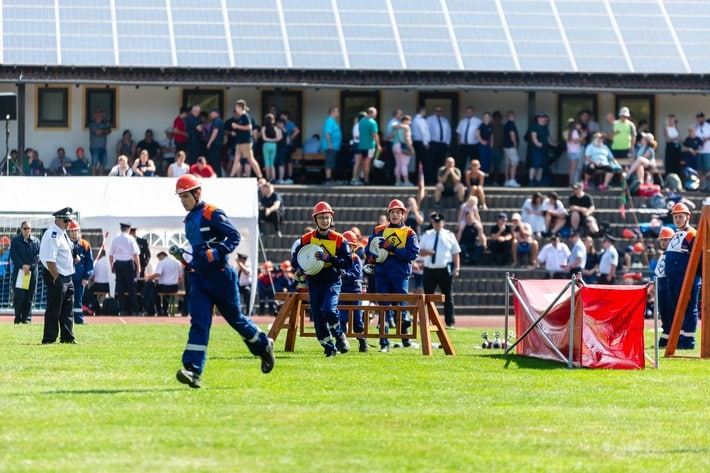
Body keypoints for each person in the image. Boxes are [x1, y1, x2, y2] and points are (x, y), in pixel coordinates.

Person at [174, 174, 274, 388]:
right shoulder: (189, 219)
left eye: (185, 196)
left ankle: (263, 345)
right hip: (199, 278)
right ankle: (193, 370)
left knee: (236, 320)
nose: (183, 201)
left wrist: (217, 252)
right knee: (199, 321)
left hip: (220, 277)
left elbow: (234, 237)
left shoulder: (212, 212)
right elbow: (198, 250)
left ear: (197, 193)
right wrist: (186, 260)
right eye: (180, 197)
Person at [292, 201, 352, 357]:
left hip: (332, 280)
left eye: (327, 217)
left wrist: (329, 259)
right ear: (315, 220)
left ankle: (339, 335)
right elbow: (296, 258)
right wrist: (299, 270)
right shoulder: (306, 239)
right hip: (314, 281)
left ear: (331, 219)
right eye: (321, 217)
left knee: (329, 310)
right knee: (317, 317)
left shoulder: (339, 239)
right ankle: (329, 347)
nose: (325, 221)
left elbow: (348, 262)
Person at [366, 199, 419, 352]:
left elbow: (412, 253)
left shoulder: (409, 232)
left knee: (400, 307)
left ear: (403, 215)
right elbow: (370, 249)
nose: (395, 215)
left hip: (400, 274)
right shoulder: (378, 230)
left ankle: (405, 337)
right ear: (388, 214)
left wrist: (392, 249)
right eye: (392, 212)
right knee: (383, 308)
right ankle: (384, 343)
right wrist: (373, 258)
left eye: (398, 212)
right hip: (382, 273)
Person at [663, 203, 700, 349]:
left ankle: (688, 340)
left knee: (689, 307)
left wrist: (692, 277)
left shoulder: (692, 234)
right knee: (677, 308)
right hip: (673, 279)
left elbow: (698, 256)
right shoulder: (675, 234)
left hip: (686, 278)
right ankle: (679, 338)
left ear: (688, 217)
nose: (678, 219)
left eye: (681, 216)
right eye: (676, 216)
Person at [39, 207, 77, 344]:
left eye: (69, 220)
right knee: (54, 309)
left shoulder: (63, 233)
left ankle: (67, 337)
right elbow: (50, 260)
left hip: (67, 275)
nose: (68, 223)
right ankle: (49, 338)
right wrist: (56, 278)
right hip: (57, 275)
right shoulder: (53, 234)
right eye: (65, 220)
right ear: (57, 219)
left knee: (67, 310)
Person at [419, 212, 460, 329]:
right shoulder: (427, 235)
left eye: (439, 222)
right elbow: (419, 251)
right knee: (428, 296)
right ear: (433, 223)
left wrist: (457, 268)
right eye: (435, 222)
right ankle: (427, 320)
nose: (437, 224)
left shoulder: (449, 235)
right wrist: (428, 252)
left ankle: (450, 322)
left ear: (443, 223)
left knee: (448, 296)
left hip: (444, 270)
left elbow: (456, 252)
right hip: (429, 270)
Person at [339, 230, 367, 352]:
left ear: (354, 247)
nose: (348, 248)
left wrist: (345, 274)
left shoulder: (356, 259)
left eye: (350, 245)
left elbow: (356, 273)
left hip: (355, 291)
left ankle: (362, 341)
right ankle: (341, 342)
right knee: (341, 317)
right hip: (342, 291)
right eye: (346, 245)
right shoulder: (339, 259)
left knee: (357, 319)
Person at [10, 221, 40, 324]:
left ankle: (27, 319)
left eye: (29, 228)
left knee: (29, 296)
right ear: (21, 229)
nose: (27, 230)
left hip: (32, 273)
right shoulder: (15, 240)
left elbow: (38, 257)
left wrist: (30, 266)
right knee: (19, 296)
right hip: (19, 272)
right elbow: (13, 255)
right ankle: (17, 318)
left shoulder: (36, 241)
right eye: (25, 228)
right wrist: (22, 266)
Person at [109, 222, 140, 316]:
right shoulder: (131, 239)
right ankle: (134, 310)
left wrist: (112, 266)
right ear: (128, 229)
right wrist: (138, 266)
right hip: (128, 263)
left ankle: (122, 309)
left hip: (118, 263)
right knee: (132, 288)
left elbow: (110, 255)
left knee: (120, 288)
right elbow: (135, 254)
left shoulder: (115, 239)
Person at [67, 220, 94, 325]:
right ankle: (67, 320)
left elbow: (89, 262)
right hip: (68, 277)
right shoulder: (65, 243)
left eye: (75, 231)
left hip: (80, 278)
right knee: (67, 300)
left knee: (78, 299)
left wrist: (86, 277)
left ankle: (79, 319)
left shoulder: (85, 244)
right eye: (72, 231)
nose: (74, 233)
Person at [229, 99, 263, 179]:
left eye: (237, 107)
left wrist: (237, 126)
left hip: (246, 142)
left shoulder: (245, 116)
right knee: (236, 159)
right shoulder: (241, 117)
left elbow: (249, 127)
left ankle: (260, 176)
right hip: (239, 142)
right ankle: (232, 175)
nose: (236, 109)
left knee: (250, 159)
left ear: (240, 107)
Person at [654, 227, 675, 347]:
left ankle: (670, 338)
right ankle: (665, 336)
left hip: (667, 287)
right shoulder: (663, 254)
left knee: (670, 312)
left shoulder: (671, 255)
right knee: (664, 312)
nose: (663, 242)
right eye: (662, 240)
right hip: (661, 288)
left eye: (666, 240)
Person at [147, 251, 183, 316]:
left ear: (161, 256)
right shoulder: (177, 263)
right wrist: (174, 281)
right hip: (174, 287)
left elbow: (158, 274)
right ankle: (165, 309)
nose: (159, 260)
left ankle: (159, 309)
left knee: (154, 292)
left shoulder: (162, 263)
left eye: (159, 258)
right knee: (166, 295)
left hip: (163, 287)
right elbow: (181, 277)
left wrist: (150, 278)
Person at [357, 107, 381, 186]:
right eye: (375, 114)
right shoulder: (372, 122)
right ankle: (366, 180)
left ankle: (362, 178)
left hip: (361, 146)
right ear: (371, 113)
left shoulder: (361, 122)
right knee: (367, 163)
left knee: (363, 163)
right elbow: (375, 134)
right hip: (369, 146)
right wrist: (378, 145)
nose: (375, 116)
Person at [89, 109, 111, 176]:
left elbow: (109, 131)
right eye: (99, 115)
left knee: (103, 163)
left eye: (101, 116)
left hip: (103, 147)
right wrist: (104, 132)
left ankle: (100, 176)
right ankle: (93, 176)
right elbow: (97, 132)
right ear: (95, 116)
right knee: (94, 163)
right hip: (95, 147)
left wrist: (102, 132)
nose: (100, 117)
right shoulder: (92, 124)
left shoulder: (104, 124)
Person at [261, 113, 282, 182]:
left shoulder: (264, 128)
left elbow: (264, 138)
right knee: (272, 162)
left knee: (267, 162)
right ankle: (273, 178)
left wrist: (268, 139)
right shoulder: (276, 128)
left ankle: (268, 178)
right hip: (274, 145)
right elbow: (279, 137)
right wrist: (274, 140)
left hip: (266, 145)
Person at [503, 110, 521, 187]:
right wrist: (515, 144)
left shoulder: (506, 124)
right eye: (514, 116)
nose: (515, 117)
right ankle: (512, 180)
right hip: (511, 147)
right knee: (515, 163)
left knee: (507, 164)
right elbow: (512, 134)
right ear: (511, 116)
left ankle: (507, 180)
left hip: (505, 147)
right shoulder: (511, 124)